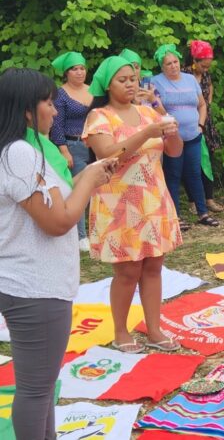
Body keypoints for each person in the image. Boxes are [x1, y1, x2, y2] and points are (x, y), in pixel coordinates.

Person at [0, 68, 115, 439]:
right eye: (48, 102)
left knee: (43, 387)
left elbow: (60, 198)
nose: (55, 110)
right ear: (28, 111)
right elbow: (59, 220)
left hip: (38, 285)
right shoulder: (19, 152)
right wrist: (92, 181)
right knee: (35, 390)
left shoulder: (27, 149)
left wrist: (91, 173)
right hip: (34, 287)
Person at [83, 56, 184, 353]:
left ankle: (154, 329)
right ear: (107, 84)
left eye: (133, 79)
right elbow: (108, 155)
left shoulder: (148, 113)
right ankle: (120, 331)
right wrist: (146, 134)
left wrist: (174, 135)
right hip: (119, 204)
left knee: (154, 266)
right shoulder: (99, 117)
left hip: (153, 199)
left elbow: (174, 152)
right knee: (127, 271)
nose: (130, 84)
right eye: (122, 80)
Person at [151, 44, 219, 228]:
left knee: (195, 173)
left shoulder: (190, 79)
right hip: (172, 137)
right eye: (168, 64)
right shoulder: (156, 82)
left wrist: (200, 125)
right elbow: (153, 108)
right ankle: (175, 217)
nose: (173, 66)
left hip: (193, 135)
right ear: (161, 67)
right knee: (173, 175)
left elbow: (202, 105)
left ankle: (202, 212)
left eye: (175, 62)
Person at [49, 51, 93, 251]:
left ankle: (96, 229)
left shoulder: (92, 89)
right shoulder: (61, 94)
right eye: (74, 69)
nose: (79, 72)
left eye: (82, 68)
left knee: (97, 187)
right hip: (73, 144)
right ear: (66, 73)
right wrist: (63, 151)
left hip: (93, 143)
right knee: (79, 188)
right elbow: (56, 125)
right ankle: (80, 236)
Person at [182, 40, 224, 213]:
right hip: (190, 125)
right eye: (203, 66)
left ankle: (209, 198)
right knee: (191, 164)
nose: (206, 69)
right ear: (194, 61)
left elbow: (209, 92)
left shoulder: (206, 76)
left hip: (206, 123)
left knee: (208, 161)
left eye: (208, 66)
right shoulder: (184, 75)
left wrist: (206, 108)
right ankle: (193, 200)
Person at [119, 48, 166, 115]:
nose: (134, 71)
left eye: (136, 67)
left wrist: (152, 99)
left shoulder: (148, 86)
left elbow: (163, 113)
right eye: (130, 67)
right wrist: (136, 104)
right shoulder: (119, 90)